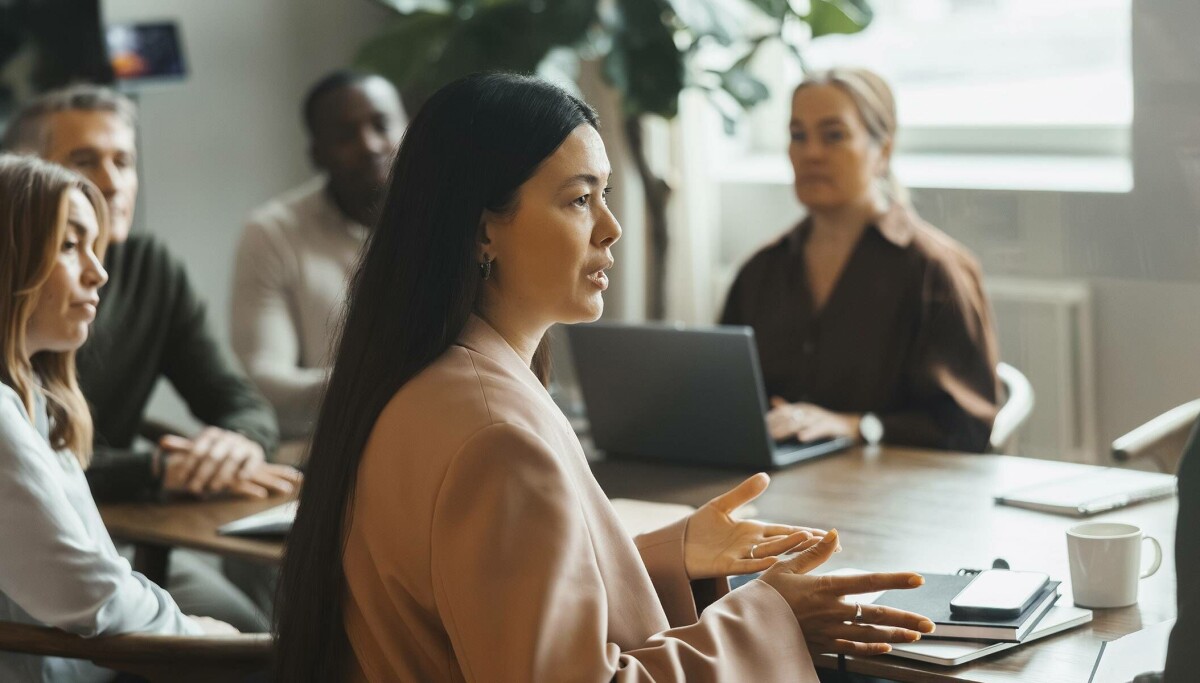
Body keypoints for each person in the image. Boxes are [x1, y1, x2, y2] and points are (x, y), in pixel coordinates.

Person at [274, 72, 935, 683]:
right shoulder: (498, 437)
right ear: (484, 232)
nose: (611, 229)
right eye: (579, 199)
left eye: (605, 195)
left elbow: (493, 604)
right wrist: (771, 618)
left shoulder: (431, 381)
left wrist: (673, 553)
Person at [1, 85, 301, 632]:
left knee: (257, 622)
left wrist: (231, 445)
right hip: (62, 557)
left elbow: (240, 401)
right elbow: (84, 587)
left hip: (108, 544)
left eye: (125, 161)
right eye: (85, 160)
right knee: (252, 642)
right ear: (28, 178)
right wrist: (158, 468)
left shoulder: (149, 267)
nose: (112, 182)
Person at [0, 154, 235, 682]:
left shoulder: (35, 401)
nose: (98, 271)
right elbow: (84, 591)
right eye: (67, 244)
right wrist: (193, 634)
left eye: (95, 245)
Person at [720, 68, 1000, 453]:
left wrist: (856, 426)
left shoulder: (934, 270)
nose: (811, 152)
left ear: (882, 151)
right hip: (773, 489)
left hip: (896, 495)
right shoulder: (760, 271)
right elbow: (727, 402)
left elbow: (967, 426)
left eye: (834, 135)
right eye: (798, 135)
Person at [232, 71, 407, 441]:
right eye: (345, 136)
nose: (370, 145)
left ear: (410, 129)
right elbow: (265, 381)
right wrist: (397, 381)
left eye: (382, 124)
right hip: (339, 448)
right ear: (317, 154)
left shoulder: (459, 218)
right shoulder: (272, 232)